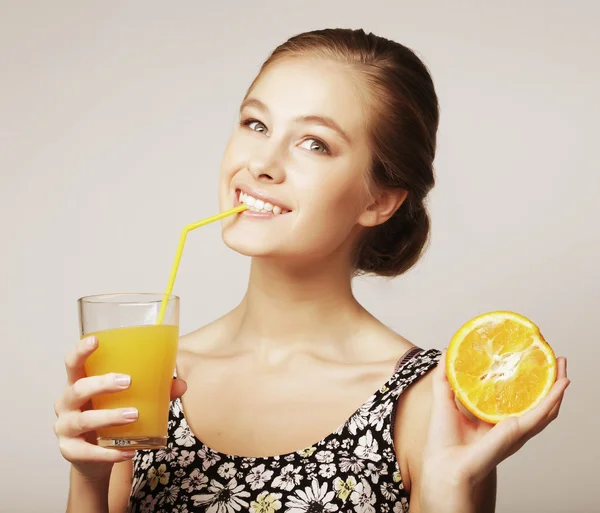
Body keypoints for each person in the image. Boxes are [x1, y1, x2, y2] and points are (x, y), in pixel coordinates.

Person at [53, 28, 570, 513]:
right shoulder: (152, 381)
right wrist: (88, 475)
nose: (260, 163)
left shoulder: (430, 405)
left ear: (379, 199)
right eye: (256, 124)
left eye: (314, 143)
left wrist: (446, 490)